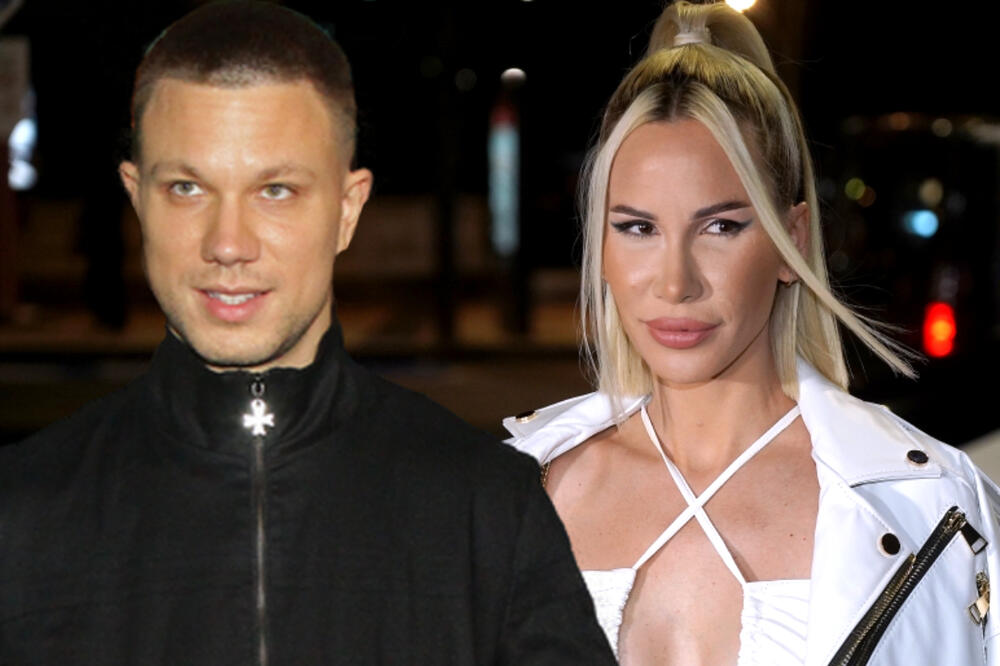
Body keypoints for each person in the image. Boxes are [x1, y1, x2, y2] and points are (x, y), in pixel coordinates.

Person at [0, 3, 616, 664]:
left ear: (347, 209)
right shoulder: (22, 512)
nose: (227, 244)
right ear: (136, 195)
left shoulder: (485, 508)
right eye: (186, 188)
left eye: (275, 191)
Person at [504, 2, 1000, 664]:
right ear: (602, 245)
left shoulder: (932, 508)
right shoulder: (512, 495)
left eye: (720, 226)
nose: (675, 283)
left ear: (792, 240)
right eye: (638, 228)